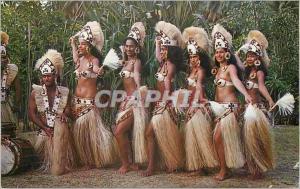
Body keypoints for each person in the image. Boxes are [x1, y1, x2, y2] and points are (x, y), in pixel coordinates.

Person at [69, 21, 117, 168]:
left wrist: (99, 71)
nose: (79, 46)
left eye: (82, 44)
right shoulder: (80, 60)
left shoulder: (93, 60)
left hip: (89, 103)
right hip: (77, 102)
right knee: (80, 134)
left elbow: (97, 69)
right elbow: (75, 58)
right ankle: (85, 159)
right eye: (79, 44)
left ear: (89, 46)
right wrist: (72, 44)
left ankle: (92, 160)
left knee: (90, 134)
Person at [141, 21, 184, 176]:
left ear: (171, 51)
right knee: (159, 134)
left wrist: (164, 103)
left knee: (150, 133)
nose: (163, 52)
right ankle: (168, 163)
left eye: (166, 49)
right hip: (160, 104)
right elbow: (158, 56)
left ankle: (152, 167)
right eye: (163, 49)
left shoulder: (170, 65)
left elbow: (167, 84)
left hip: (165, 104)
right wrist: (158, 43)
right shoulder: (163, 64)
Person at [211, 24, 252, 181]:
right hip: (219, 108)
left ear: (227, 53)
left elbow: (236, 82)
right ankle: (225, 167)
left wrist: (246, 94)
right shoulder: (218, 70)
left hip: (230, 107)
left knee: (217, 137)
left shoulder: (230, 69)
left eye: (222, 52)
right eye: (217, 52)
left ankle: (224, 170)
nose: (219, 54)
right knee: (218, 138)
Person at [29, 49, 77, 175]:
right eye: (44, 76)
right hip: (44, 132)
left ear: (55, 76)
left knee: (61, 128)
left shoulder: (64, 92)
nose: (46, 78)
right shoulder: (35, 93)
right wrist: (44, 128)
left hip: (60, 133)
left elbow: (68, 108)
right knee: (40, 161)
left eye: (49, 75)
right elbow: (32, 114)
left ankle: (60, 162)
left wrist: (65, 113)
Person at [238, 30, 275, 179]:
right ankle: (250, 164)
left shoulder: (259, 72)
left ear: (258, 57)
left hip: (256, 109)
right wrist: (238, 51)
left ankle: (257, 168)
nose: (250, 58)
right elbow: (236, 61)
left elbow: (261, 86)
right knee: (246, 138)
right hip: (248, 109)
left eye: (253, 55)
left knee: (255, 139)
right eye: (248, 55)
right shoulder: (247, 72)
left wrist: (270, 99)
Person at [181, 26, 218, 175]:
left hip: (198, 104)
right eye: (191, 57)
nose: (193, 59)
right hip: (191, 104)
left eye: (195, 57)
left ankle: (201, 167)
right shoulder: (191, 71)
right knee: (193, 137)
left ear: (200, 58)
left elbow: (197, 87)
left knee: (198, 136)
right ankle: (197, 165)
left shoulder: (201, 71)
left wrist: (194, 104)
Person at [114, 22, 148, 174]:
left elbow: (136, 81)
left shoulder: (136, 62)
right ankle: (131, 162)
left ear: (137, 48)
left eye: (131, 46)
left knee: (119, 131)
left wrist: (133, 99)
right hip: (127, 100)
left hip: (134, 101)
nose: (128, 48)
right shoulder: (126, 62)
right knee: (126, 133)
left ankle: (126, 164)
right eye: (126, 46)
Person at [1, 31, 21, 133]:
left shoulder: (12, 70)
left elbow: (18, 90)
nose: (2, 60)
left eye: (4, 57)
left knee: (9, 134)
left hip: (6, 105)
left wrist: (16, 105)